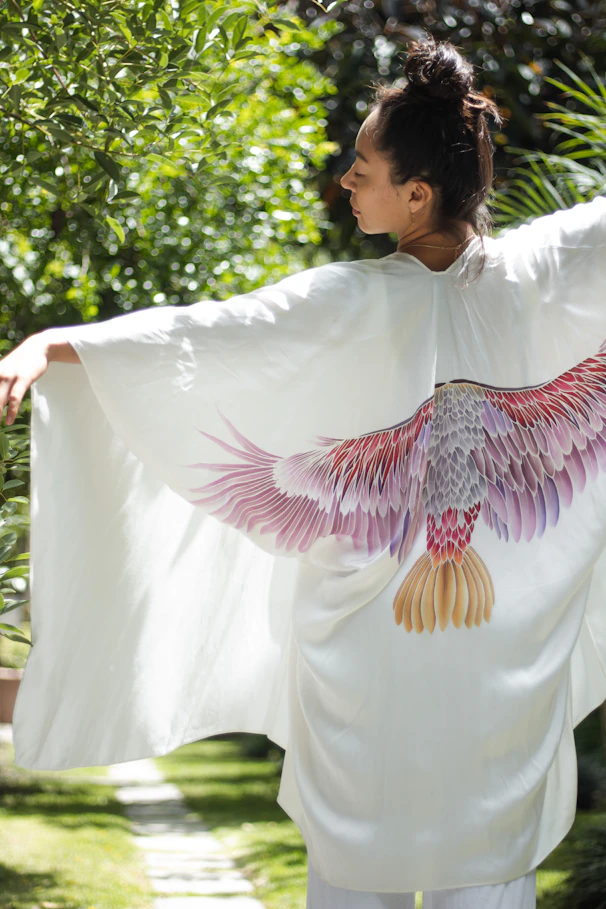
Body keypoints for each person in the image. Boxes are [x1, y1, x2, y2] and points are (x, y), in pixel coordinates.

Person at [6, 33, 606, 909]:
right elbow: (206, 337)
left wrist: (54, 346)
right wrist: (56, 345)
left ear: (416, 192)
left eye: (361, 167)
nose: (346, 181)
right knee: (488, 871)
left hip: (372, 677)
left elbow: (203, 342)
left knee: (358, 876)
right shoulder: (547, 273)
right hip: (497, 677)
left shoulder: (350, 301)